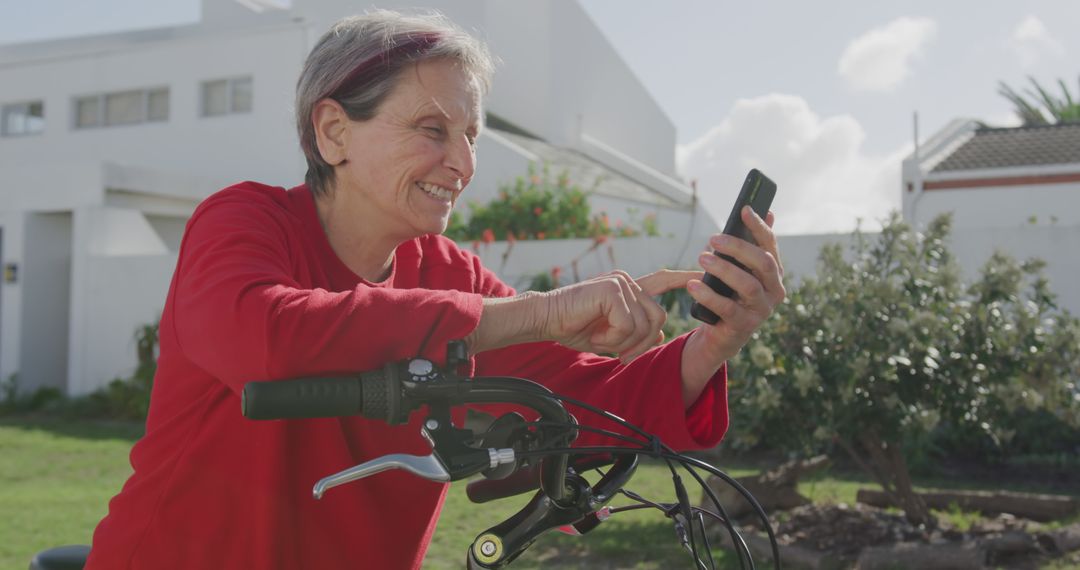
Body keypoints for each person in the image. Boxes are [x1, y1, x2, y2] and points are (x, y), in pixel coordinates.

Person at [84, 10, 784, 570]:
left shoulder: (450, 275)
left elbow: (583, 397)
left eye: (472, 135)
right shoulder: (243, 220)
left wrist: (716, 340)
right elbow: (268, 335)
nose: (464, 162)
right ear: (333, 132)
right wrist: (538, 312)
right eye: (432, 129)